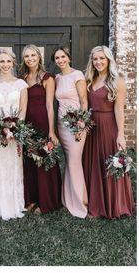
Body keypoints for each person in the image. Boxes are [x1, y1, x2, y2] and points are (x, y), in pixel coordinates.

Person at [83, 45, 135, 218]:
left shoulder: (117, 81)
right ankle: (95, 202)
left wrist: (120, 134)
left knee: (108, 162)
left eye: (102, 58)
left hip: (108, 126)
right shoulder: (90, 79)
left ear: (108, 60)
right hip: (92, 127)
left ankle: (113, 204)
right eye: (95, 59)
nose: (98, 62)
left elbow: (119, 109)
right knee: (93, 163)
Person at [0, 48, 28, 220]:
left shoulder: (21, 85)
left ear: (13, 63)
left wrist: (15, 129)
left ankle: (15, 203)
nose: (5, 65)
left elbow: (23, 110)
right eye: (2, 61)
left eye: (8, 61)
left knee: (14, 165)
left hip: (16, 132)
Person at [20, 44, 61, 214]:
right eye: (27, 56)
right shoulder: (21, 78)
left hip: (43, 122)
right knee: (29, 160)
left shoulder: (47, 78)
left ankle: (46, 201)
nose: (30, 59)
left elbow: (50, 106)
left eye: (33, 55)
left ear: (39, 57)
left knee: (43, 159)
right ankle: (32, 198)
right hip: (27, 123)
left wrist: (51, 131)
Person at [52, 46, 88, 218]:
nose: (60, 60)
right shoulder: (57, 78)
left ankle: (80, 202)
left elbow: (84, 101)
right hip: (61, 123)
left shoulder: (77, 75)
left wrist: (80, 124)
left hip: (75, 124)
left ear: (69, 57)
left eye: (63, 56)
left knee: (74, 161)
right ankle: (67, 199)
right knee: (68, 161)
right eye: (57, 58)